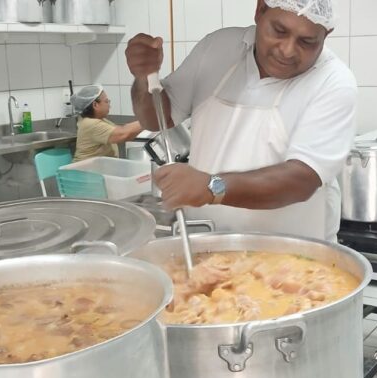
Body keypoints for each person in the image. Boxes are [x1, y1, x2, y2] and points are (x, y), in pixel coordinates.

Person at [125, 0, 356, 241]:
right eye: (279, 31)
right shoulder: (218, 47)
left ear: (326, 34)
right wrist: (145, 77)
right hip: (205, 245)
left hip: (293, 255)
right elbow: (157, 119)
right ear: (260, 10)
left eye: (307, 42)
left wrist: (211, 187)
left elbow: (301, 180)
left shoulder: (333, 82)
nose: (288, 50)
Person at [70, 85, 143, 162]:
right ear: (95, 105)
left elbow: (125, 135)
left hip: (98, 166)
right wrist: (146, 121)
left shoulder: (100, 120)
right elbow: (122, 134)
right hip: (86, 168)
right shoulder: (90, 124)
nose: (109, 105)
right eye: (106, 101)